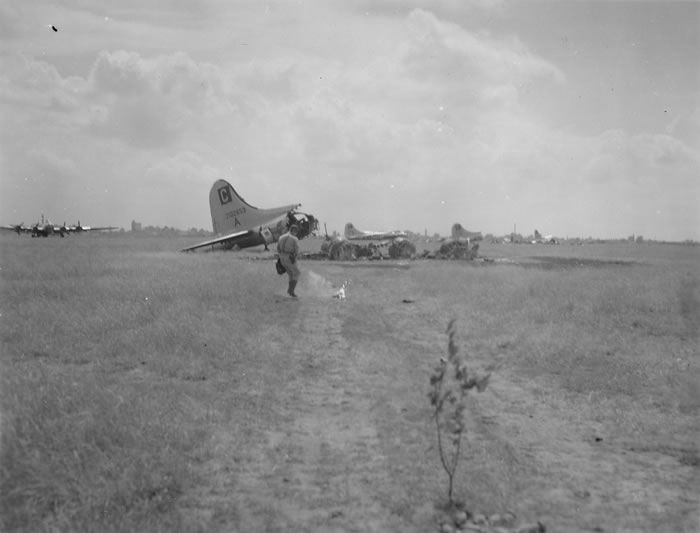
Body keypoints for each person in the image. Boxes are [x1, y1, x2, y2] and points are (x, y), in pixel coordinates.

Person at [277, 224, 301, 297]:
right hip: (290, 257)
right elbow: (296, 251)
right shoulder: (294, 239)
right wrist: (294, 258)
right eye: (296, 232)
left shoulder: (281, 237)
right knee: (297, 273)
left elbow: (278, 248)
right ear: (295, 231)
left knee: (290, 274)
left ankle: (289, 290)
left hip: (282, 257)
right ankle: (291, 291)